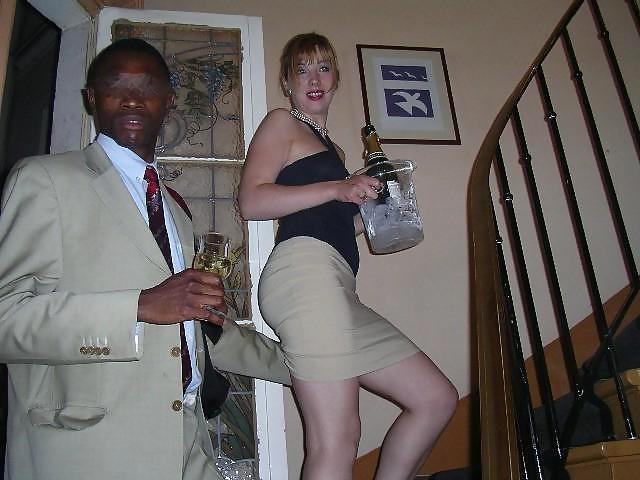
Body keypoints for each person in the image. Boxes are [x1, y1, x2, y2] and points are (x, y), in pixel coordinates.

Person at [0, 38, 290, 480]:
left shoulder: (175, 211)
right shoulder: (44, 179)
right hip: (91, 451)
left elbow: (197, 331)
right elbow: (6, 319)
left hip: (188, 441)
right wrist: (139, 306)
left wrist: (310, 368)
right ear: (91, 97)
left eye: (148, 86)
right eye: (116, 84)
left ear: (168, 101)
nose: (133, 98)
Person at [238, 32, 459, 480]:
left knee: (435, 399)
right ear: (287, 83)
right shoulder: (282, 123)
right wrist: (339, 188)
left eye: (323, 68)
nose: (313, 79)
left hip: (338, 284)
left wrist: (374, 210)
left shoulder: (335, 152)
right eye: (302, 70)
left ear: (335, 78)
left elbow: (336, 221)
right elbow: (252, 201)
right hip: (304, 275)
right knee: (336, 439)